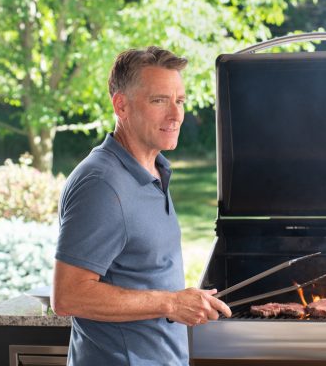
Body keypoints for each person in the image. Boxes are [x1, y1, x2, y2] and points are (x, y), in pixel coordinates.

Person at [52, 46, 231, 366]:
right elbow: (68, 295)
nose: (176, 115)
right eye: (159, 100)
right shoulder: (102, 184)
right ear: (121, 105)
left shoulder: (154, 170)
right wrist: (170, 303)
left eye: (180, 101)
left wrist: (179, 300)